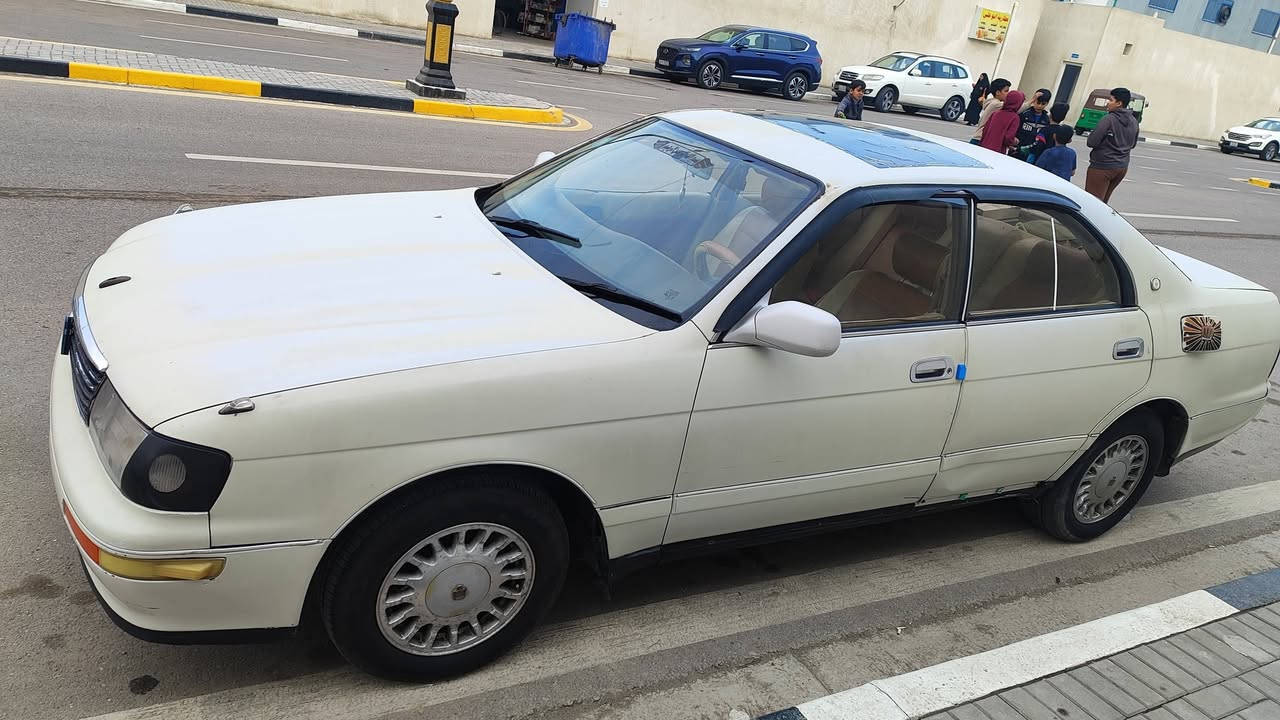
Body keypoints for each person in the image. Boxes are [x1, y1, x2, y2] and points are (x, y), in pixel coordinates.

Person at [1085, 87, 1139, 203]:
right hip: (1122, 167)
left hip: (1103, 166)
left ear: (1119, 103)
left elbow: (1092, 142)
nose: (1107, 103)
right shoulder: (1134, 121)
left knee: (1092, 203)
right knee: (1103, 203)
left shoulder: (1109, 119)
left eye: (1110, 100)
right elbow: (1133, 144)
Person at [979, 90, 1024, 154]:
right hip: (998, 150)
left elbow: (985, 130)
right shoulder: (1015, 118)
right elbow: (1008, 138)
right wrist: (1014, 141)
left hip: (985, 146)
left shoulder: (996, 113)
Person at [970, 78, 1011, 144]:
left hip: (977, 138)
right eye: (1006, 91)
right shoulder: (996, 104)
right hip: (981, 139)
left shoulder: (991, 102)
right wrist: (1028, 103)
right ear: (997, 92)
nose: (1008, 94)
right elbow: (1014, 106)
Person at [1015, 89, 1052, 161]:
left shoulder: (1046, 119)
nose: (1039, 106)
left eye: (1043, 104)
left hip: (1034, 153)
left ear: (1047, 103)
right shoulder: (1024, 113)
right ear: (1034, 100)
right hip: (1019, 149)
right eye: (1038, 103)